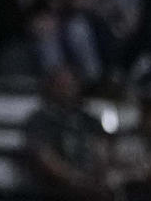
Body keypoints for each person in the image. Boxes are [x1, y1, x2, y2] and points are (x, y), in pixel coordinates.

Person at [24, 67, 112, 199]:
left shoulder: (89, 120)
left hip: (91, 185)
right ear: (51, 88)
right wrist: (75, 178)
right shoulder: (40, 120)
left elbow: (102, 150)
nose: (67, 90)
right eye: (61, 85)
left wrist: (96, 177)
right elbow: (45, 157)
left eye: (71, 85)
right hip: (53, 189)